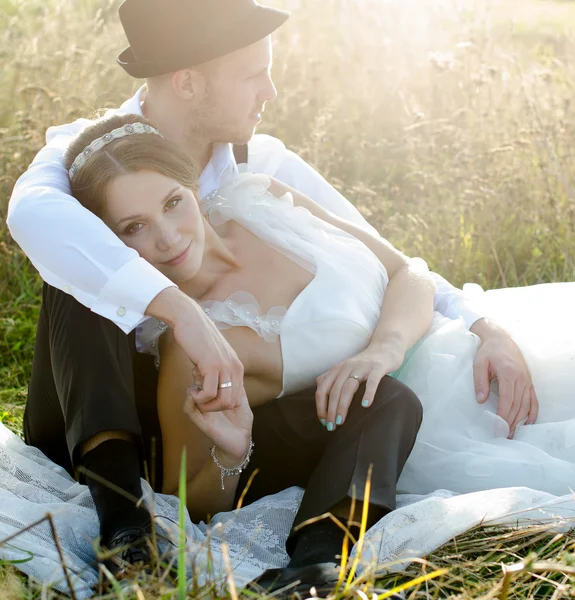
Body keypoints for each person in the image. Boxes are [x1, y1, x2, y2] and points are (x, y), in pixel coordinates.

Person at [6, 0, 535, 584]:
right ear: (187, 82)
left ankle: (319, 564)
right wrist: (180, 311)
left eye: (175, 204)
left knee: (385, 400)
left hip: (221, 406)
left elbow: (385, 260)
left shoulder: (261, 168)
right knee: (81, 266)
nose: (271, 91)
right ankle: (124, 522)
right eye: (253, 73)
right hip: (99, 416)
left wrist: (481, 324)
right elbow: (33, 216)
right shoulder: (83, 155)